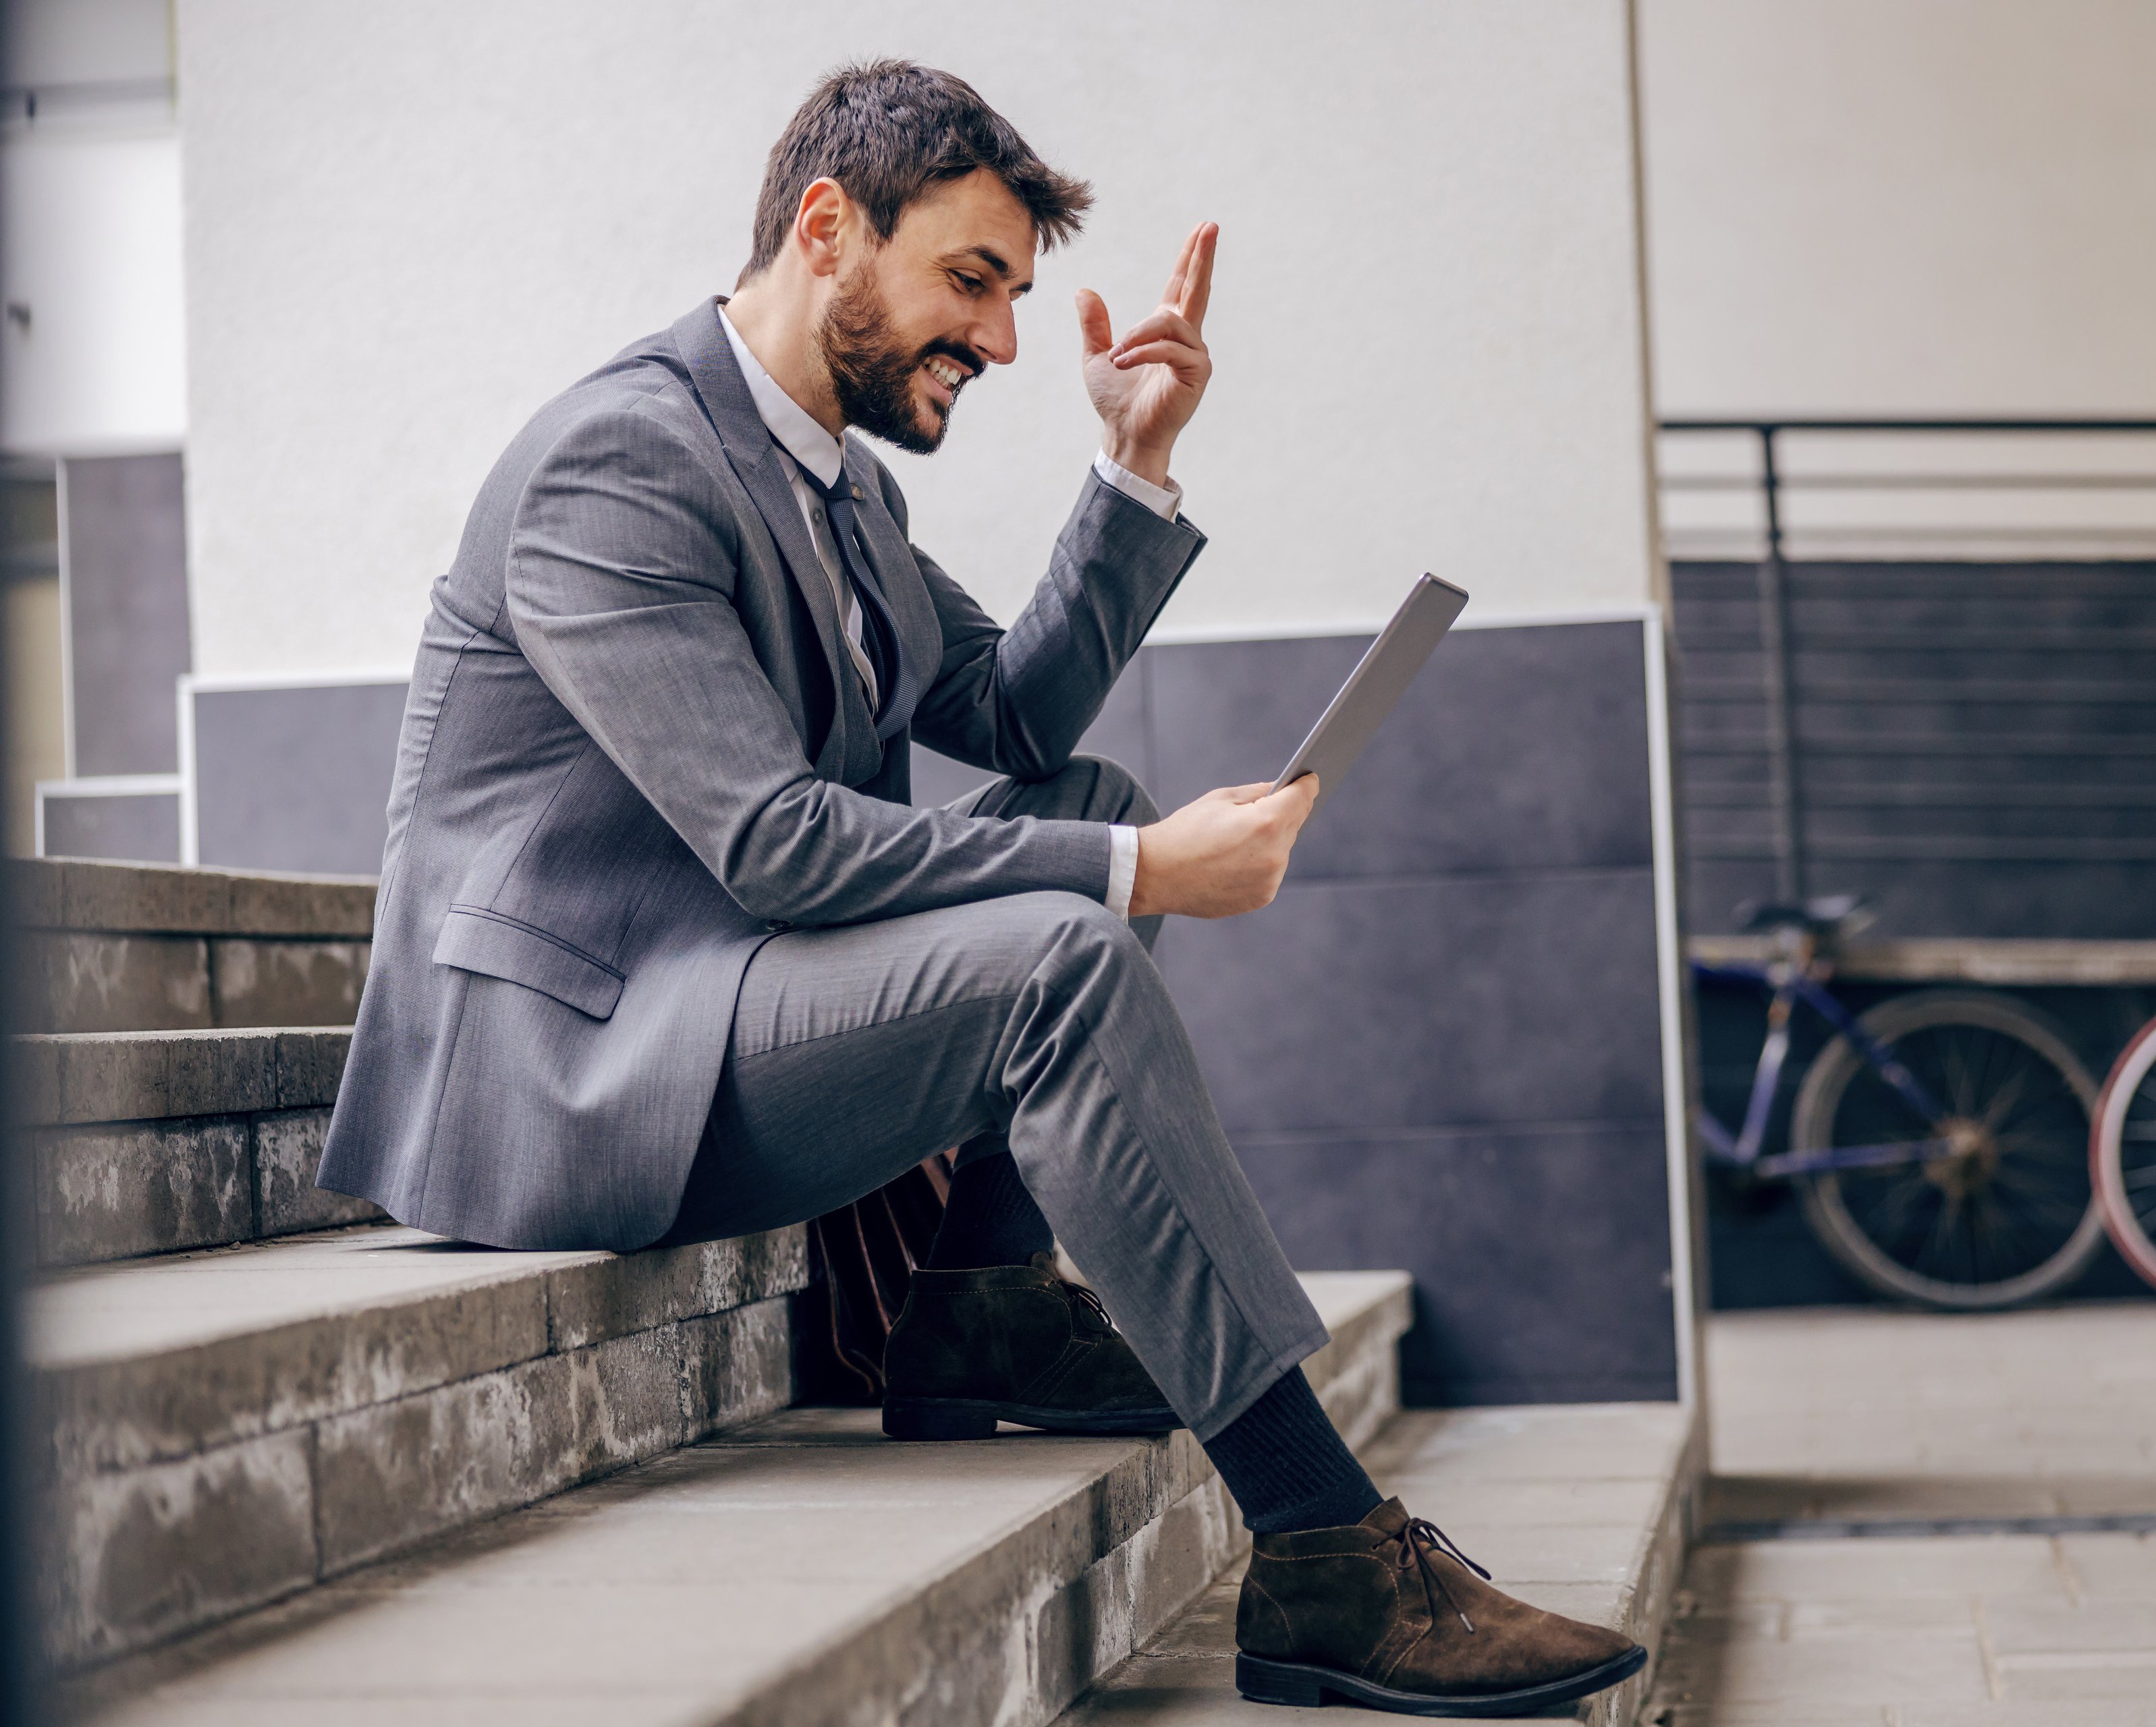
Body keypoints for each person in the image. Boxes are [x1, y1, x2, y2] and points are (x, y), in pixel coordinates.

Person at [319, 59, 1642, 1716]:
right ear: (826, 227)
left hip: (713, 998)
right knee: (1064, 942)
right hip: (568, 1065)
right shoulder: (620, 463)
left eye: (1012, 292)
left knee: (1090, 804)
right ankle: (1329, 1548)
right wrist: (1143, 871)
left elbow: (1011, 716)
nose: (1006, 342)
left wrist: (1136, 468)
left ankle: (979, 1309)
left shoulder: (836, 481)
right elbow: (782, 842)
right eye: (969, 282)